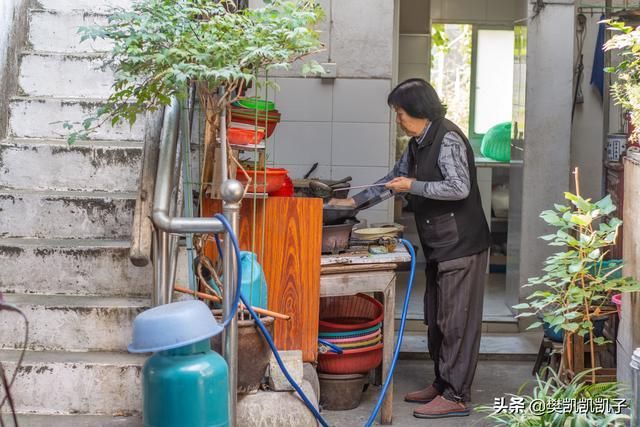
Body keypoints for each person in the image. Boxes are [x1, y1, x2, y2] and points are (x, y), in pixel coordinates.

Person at [329, 78, 491, 419]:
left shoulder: (447, 138)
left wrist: (413, 186)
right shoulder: (418, 142)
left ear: (418, 110)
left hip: (462, 244)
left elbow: (459, 187)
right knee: (437, 318)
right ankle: (443, 382)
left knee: (456, 322)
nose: (398, 119)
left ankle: (458, 395)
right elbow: (394, 179)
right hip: (439, 243)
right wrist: (351, 203)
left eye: (400, 112)